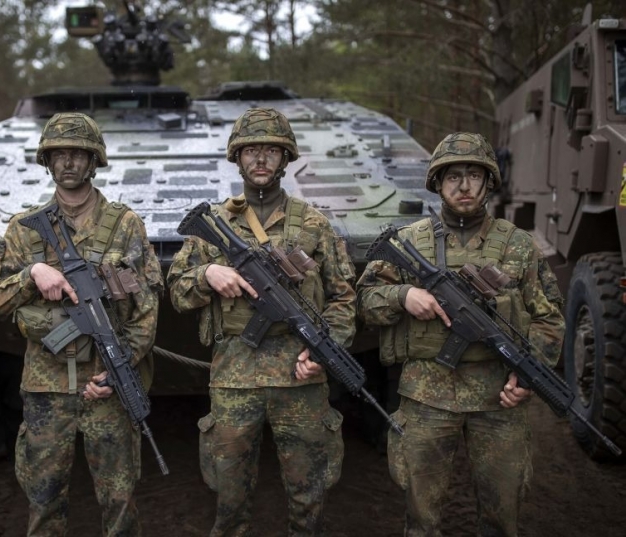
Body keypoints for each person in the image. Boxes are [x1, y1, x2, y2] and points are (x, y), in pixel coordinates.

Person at [356, 132, 566, 536]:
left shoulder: (518, 246)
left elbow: (549, 319)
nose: (464, 185)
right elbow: (364, 302)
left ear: (489, 182)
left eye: (474, 175)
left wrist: (526, 378)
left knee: (502, 517)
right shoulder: (409, 242)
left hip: (498, 402)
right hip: (425, 398)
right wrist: (404, 295)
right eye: (453, 176)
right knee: (421, 518)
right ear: (438, 183)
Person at [167, 107, 356, 536]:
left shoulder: (314, 224)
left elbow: (344, 297)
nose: (260, 159)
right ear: (237, 158)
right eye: (251, 150)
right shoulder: (213, 225)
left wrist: (325, 350)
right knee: (229, 501)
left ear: (285, 158)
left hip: (301, 379)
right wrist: (206, 274)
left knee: (309, 499)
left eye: (270, 150)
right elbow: (177, 290)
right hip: (234, 377)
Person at [0, 112, 163, 536]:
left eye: (77, 154)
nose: (67, 163)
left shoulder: (124, 225)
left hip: (108, 388)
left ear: (94, 160)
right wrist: (32, 275)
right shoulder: (24, 230)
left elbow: (147, 307)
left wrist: (121, 366)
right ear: (47, 161)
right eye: (58, 154)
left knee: (119, 504)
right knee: (43, 501)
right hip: (47, 389)